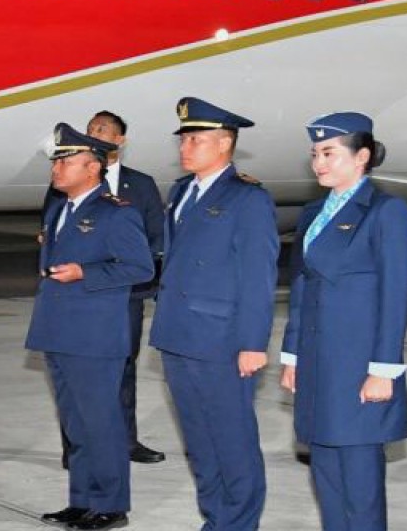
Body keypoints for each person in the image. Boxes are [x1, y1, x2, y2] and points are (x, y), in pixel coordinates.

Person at [279, 112, 407, 531]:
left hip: (359, 365)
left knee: (359, 482)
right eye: (315, 154)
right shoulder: (314, 213)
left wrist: (383, 370)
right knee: (327, 475)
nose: (319, 163)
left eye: (329, 152)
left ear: (362, 156)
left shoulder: (385, 212)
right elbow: (302, 287)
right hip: (318, 363)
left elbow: (396, 297)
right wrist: (292, 353)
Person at [149, 97, 278, 531]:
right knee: (200, 443)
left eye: (195, 139)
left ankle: (239, 523)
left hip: (221, 339)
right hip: (178, 335)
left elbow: (258, 277)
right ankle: (215, 519)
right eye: (183, 139)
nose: (185, 148)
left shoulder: (247, 198)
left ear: (224, 143)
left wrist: (252, 344)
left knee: (232, 441)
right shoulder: (181, 192)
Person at [27, 122, 154, 531]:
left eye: (67, 160)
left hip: (95, 336)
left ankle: (111, 505)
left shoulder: (116, 213)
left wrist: (86, 271)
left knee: (101, 423)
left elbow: (140, 267)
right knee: (75, 424)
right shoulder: (59, 210)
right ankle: (81, 500)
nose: (57, 168)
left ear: (93, 167)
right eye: (56, 160)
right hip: (59, 330)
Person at [46, 110, 167, 468]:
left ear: (119, 140)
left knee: (121, 371)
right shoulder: (61, 187)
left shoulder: (139, 185)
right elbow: (50, 234)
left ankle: (125, 441)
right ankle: (76, 447)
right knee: (73, 378)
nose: (94, 132)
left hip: (124, 296)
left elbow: (155, 239)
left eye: (102, 129)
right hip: (74, 302)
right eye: (91, 128)